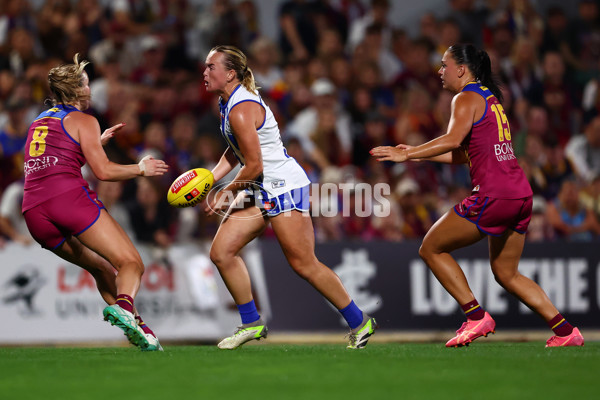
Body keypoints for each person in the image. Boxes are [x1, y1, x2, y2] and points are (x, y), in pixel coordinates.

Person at [371, 44, 584, 348]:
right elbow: (463, 154)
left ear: (462, 69)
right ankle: (566, 332)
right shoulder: (490, 99)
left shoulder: (465, 97)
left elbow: (453, 139)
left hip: (494, 195)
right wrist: (418, 155)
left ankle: (475, 316)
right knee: (506, 273)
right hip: (520, 194)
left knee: (431, 248)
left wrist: (407, 155)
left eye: (444, 65)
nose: (440, 71)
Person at [202, 45, 376, 349]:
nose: (205, 72)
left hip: (282, 187)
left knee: (304, 264)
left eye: (211, 67)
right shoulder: (227, 102)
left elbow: (254, 164)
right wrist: (211, 178)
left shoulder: (241, 108)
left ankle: (360, 321)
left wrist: (225, 193)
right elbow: (237, 150)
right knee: (221, 252)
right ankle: (252, 323)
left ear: (230, 74)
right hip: (262, 188)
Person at [21, 54, 169, 351]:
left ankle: (140, 330)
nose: (91, 88)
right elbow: (104, 172)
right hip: (67, 199)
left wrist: (93, 143)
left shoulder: (38, 121)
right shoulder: (84, 119)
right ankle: (125, 308)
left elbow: (54, 153)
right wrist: (141, 168)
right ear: (77, 90)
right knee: (131, 263)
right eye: (87, 83)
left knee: (102, 269)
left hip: (34, 211)